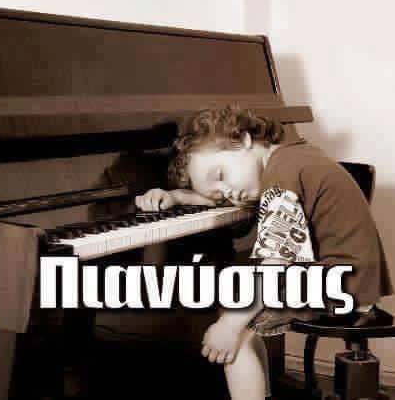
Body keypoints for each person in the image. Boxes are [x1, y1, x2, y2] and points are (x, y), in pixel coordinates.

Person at [135, 106, 393, 400]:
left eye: (221, 175)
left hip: (339, 286)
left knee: (236, 335)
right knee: (238, 310)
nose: (228, 192)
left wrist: (229, 326)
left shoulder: (281, 180)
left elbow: (275, 266)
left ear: (243, 140)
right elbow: (233, 201)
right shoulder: (293, 158)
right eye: (218, 193)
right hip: (355, 279)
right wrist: (177, 196)